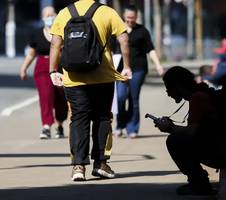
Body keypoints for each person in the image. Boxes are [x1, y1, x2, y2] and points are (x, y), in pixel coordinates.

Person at [49, 0, 132, 181]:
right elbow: (124, 39)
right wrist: (126, 66)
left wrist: (53, 70)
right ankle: (101, 163)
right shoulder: (107, 12)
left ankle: (78, 166)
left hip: (73, 77)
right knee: (102, 117)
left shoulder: (64, 13)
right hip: (103, 76)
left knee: (78, 118)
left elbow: (55, 44)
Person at [153, 66, 226, 196]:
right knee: (178, 138)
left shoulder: (198, 98)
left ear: (178, 86)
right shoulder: (200, 94)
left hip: (223, 154)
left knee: (174, 141)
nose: (168, 92)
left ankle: (199, 184)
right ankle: (199, 182)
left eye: (169, 87)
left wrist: (170, 128)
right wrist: (172, 128)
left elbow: (191, 133)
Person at [114, 5, 164, 138]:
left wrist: (158, 65)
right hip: (120, 69)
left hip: (138, 69)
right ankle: (120, 125)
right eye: (128, 17)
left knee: (133, 98)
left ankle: (132, 128)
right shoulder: (117, 29)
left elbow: (150, 49)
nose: (131, 20)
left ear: (137, 17)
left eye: (133, 17)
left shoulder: (142, 31)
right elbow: (109, 50)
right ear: (124, 16)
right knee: (120, 98)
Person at [20, 6, 68, 139]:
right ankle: (46, 126)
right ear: (42, 18)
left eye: (52, 14)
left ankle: (60, 124)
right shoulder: (37, 33)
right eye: (47, 15)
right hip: (42, 67)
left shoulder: (63, 32)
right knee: (46, 96)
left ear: (57, 15)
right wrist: (24, 68)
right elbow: (31, 54)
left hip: (60, 66)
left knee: (61, 98)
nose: (49, 18)